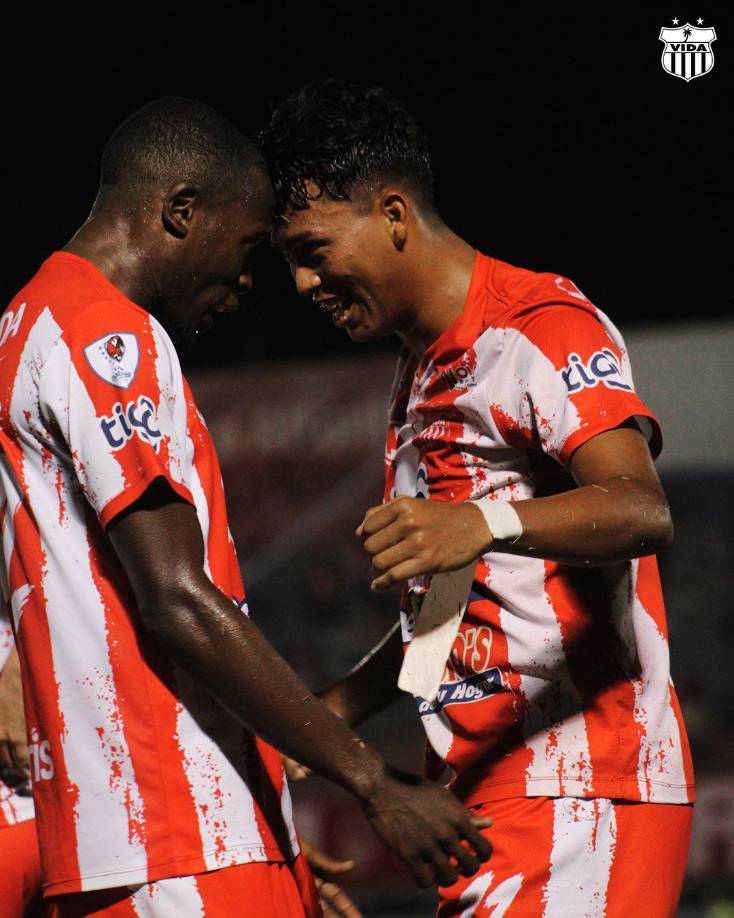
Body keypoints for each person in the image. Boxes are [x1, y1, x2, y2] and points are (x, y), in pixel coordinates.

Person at [0, 97, 492, 917]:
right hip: (184, 837)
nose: (251, 279)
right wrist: (370, 780)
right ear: (181, 211)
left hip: (119, 838)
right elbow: (176, 598)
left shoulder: (25, 322)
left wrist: (282, 838)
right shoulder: (104, 336)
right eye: (250, 246)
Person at [262, 80, 696, 916]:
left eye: (312, 248)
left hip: (587, 791)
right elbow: (450, 630)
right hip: (482, 800)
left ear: (393, 214)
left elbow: (644, 509)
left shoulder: (537, 326)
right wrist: (317, 731)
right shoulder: (421, 378)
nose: (302, 282)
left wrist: (478, 523)